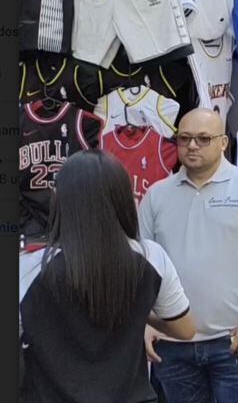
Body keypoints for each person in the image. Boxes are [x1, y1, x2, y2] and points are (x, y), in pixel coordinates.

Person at [20, 150, 196, 402]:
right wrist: (140, 311)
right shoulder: (150, 256)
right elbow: (185, 329)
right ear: (123, 197)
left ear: (60, 199)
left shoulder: (30, 265)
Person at [140, 109, 238, 402]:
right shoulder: (156, 195)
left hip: (235, 344)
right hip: (172, 346)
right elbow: (142, 268)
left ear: (223, 143)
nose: (192, 146)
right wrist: (145, 324)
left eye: (203, 139)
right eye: (185, 138)